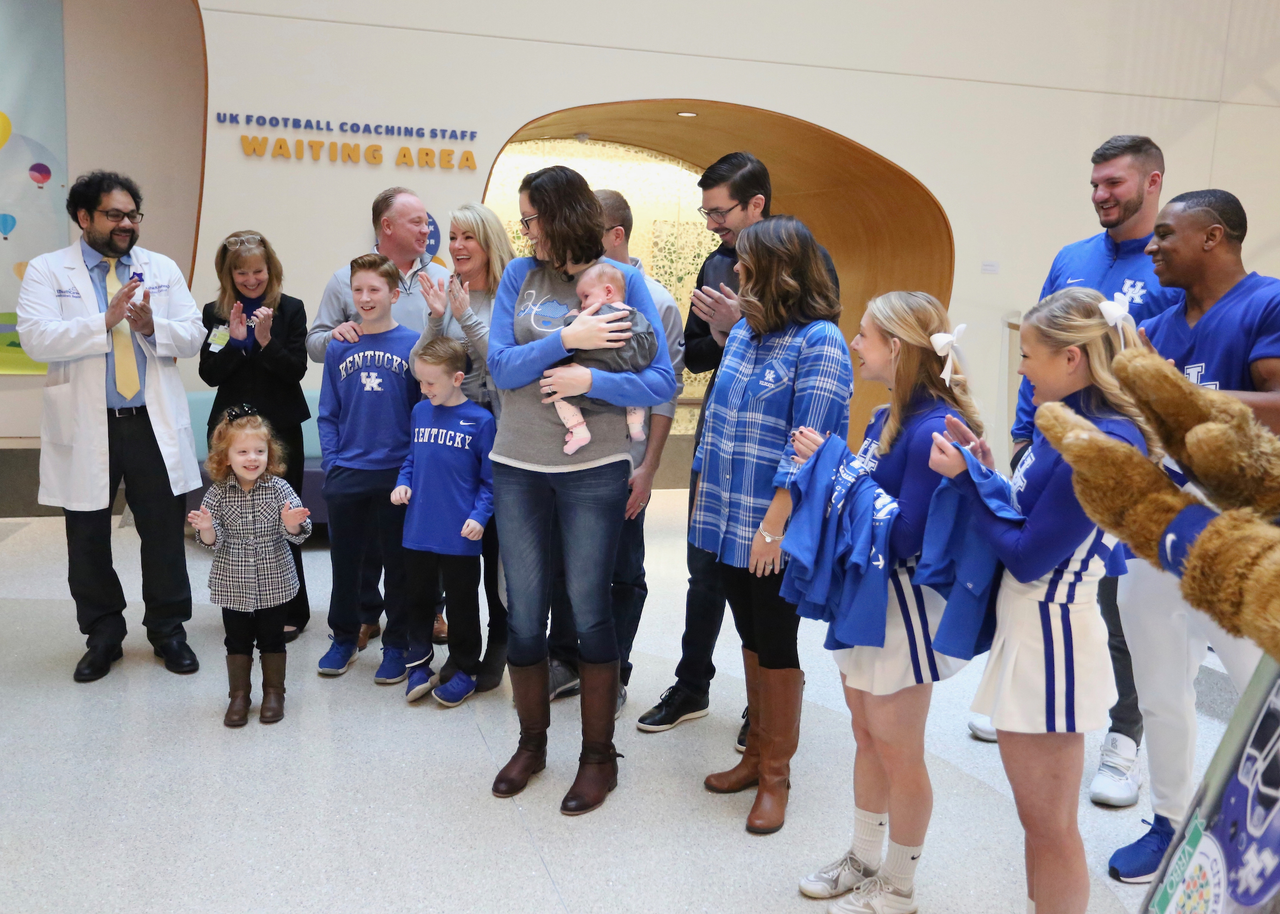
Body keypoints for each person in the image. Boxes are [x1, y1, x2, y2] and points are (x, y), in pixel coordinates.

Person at [929, 287, 1160, 914]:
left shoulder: (1099, 441)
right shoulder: (1064, 428)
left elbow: (1030, 553)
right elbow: (1029, 514)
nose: (1023, 368)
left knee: (1051, 827)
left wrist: (968, 484)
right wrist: (983, 469)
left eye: (1030, 355)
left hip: (1051, 635)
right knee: (1038, 823)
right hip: (1033, 628)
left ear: (1073, 358)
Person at [990, 137, 1180, 808]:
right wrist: (1021, 431)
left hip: (1123, 455)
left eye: (1115, 183)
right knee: (1032, 570)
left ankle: (1122, 738)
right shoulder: (1072, 258)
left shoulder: (1168, 265)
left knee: (1107, 596)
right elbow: (1038, 344)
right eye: (1095, 183)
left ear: (1152, 183)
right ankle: (1015, 688)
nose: (1101, 194)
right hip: (1046, 440)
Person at [486, 165, 676, 816]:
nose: (525, 231)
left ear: (562, 215)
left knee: (590, 608)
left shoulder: (625, 282)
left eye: (531, 219)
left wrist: (590, 384)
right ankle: (532, 744)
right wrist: (568, 340)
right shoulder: (519, 276)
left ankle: (599, 757)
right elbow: (502, 368)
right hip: (518, 464)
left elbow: (659, 383)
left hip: (594, 469)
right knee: (525, 608)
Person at [638, 151, 839, 743]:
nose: (713, 229)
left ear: (756, 205)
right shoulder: (722, 269)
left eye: (719, 212)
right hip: (727, 452)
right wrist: (729, 331)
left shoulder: (810, 287)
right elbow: (700, 356)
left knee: (769, 605)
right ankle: (694, 684)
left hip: (774, 467)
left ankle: (769, 730)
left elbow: (813, 399)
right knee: (710, 574)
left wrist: (778, 519)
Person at [790, 292, 982, 912]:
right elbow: (867, 499)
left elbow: (907, 536)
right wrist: (835, 467)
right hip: (868, 601)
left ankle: (900, 882)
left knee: (900, 748)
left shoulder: (931, 428)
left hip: (903, 609)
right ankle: (863, 857)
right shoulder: (884, 418)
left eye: (866, 335)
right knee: (865, 735)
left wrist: (832, 468)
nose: (854, 343)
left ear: (896, 349)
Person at [1107, 189, 1272, 883]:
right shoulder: (1161, 321)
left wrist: (1175, 390)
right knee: (1160, 689)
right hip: (1163, 533)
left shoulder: (1265, 304)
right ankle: (1171, 820)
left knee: (1263, 692)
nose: (1151, 246)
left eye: (1166, 234)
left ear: (1214, 237)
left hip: (1243, 540)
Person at [692, 215, 853, 835]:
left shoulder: (820, 342)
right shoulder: (744, 334)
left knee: (777, 640)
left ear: (779, 268)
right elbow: (718, 419)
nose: (736, 268)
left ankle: (777, 775)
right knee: (751, 635)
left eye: (747, 259)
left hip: (772, 520)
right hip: (726, 514)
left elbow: (810, 444)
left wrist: (775, 524)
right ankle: (754, 755)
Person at [16, 170, 205, 682]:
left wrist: (149, 325)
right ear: (83, 217)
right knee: (88, 535)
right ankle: (103, 635)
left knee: (164, 534)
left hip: (149, 422)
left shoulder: (159, 267)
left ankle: (169, 630)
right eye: (114, 215)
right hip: (86, 424)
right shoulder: (47, 270)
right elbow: (35, 338)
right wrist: (104, 320)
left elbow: (192, 335)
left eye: (133, 215)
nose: (126, 224)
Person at [544, 188, 687, 715]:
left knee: (623, 569)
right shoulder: (573, 294)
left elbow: (664, 392)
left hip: (624, 461)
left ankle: (616, 669)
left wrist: (649, 468)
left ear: (615, 235)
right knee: (565, 561)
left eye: (588, 231)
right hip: (571, 459)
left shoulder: (659, 303)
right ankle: (562, 659)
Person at [307, 187, 451, 652]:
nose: (427, 230)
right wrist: (337, 336)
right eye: (417, 222)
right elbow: (315, 344)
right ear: (386, 227)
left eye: (428, 222)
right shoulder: (343, 279)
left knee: (414, 542)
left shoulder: (443, 279)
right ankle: (363, 617)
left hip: (415, 439)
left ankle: (424, 616)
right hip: (357, 447)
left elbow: (448, 349)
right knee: (359, 547)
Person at [420, 202, 516, 691]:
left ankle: (501, 640)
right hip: (452, 447)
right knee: (458, 556)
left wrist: (464, 317)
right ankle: (463, 649)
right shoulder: (448, 293)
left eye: (467, 238)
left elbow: (503, 371)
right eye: (453, 236)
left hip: (501, 443)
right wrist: (439, 319)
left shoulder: (510, 297)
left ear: (488, 244)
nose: (456, 246)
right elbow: (426, 363)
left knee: (497, 551)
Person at [198, 231, 312, 641]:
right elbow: (208, 373)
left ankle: (291, 608)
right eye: (242, 273)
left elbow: (295, 369)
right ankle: (241, 602)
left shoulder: (291, 310)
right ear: (229, 275)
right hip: (231, 435)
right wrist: (236, 343)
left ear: (272, 270)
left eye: (258, 271)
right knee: (237, 520)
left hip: (280, 431)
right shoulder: (216, 312)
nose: (251, 279)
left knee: (285, 517)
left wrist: (264, 343)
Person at [315, 254, 420, 685]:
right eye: (358, 290)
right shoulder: (341, 344)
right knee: (348, 564)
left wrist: (412, 471)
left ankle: (396, 646)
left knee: (398, 567)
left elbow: (422, 412)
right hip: (349, 472)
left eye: (374, 289)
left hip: (396, 471)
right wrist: (332, 463)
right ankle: (344, 637)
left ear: (394, 294)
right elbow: (328, 412)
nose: (365, 297)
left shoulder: (413, 345)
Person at [188, 406, 311, 726]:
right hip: (233, 581)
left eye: (259, 451)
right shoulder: (217, 493)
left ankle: (274, 693)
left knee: (272, 638)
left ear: (269, 454)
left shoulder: (280, 489)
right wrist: (205, 528)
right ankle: (239, 696)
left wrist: (292, 524)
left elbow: (297, 536)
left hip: (275, 577)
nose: (252, 458)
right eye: (242, 451)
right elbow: (211, 541)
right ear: (226, 456)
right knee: (237, 640)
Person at [392, 337, 495, 707]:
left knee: (463, 605)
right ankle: (418, 662)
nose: (423, 389)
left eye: (430, 382)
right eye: (420, 381)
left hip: (459, 535)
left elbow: (490, 481)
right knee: (417, 599)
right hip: (418, 529)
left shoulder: (482, 421)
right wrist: (403, 484)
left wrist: (480, 517)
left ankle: (466, 668)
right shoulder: (420, 411)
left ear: (457, 378)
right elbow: (411, 460)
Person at [550, 262, 655, 453]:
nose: (582, 305)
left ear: (608, 292)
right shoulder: (636, 314)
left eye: (586, 297)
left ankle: (579, 430)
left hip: (600, 366)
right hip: (630, 362)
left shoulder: (599, 313)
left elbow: (572, 332)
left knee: (558, 391)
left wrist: (571, 318)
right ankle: (635, 423)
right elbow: (651, 339)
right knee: (634, 388)